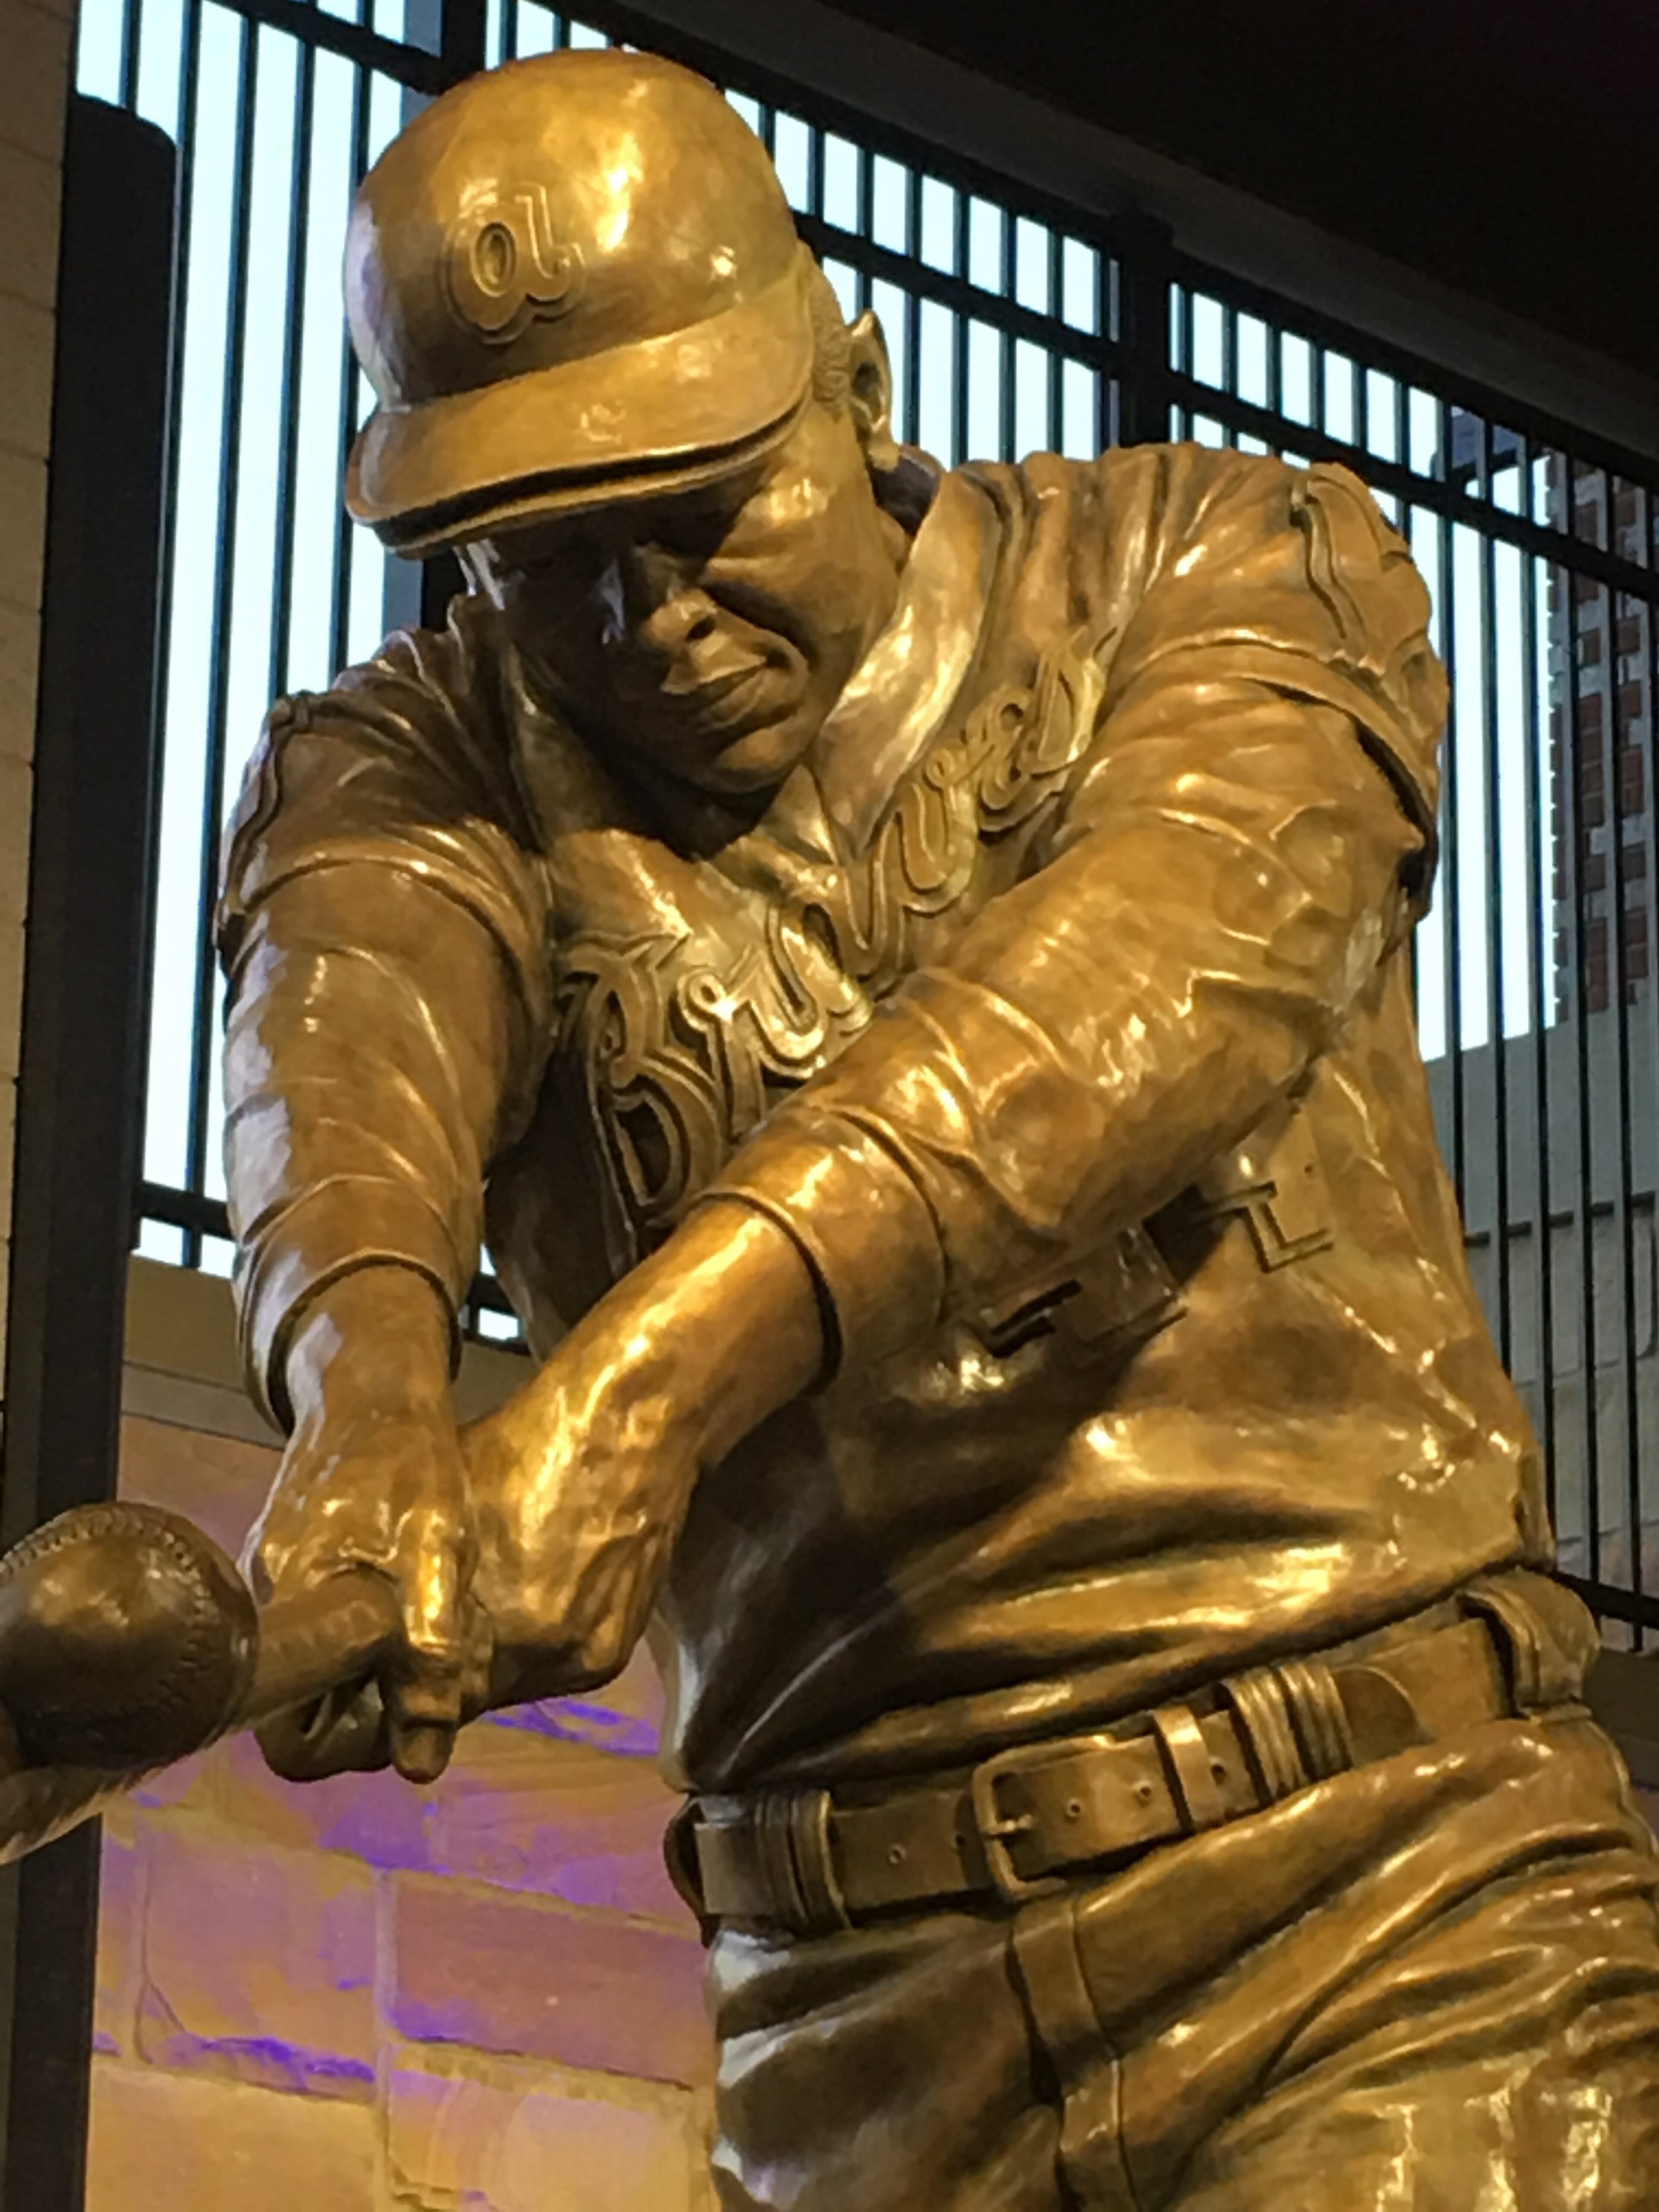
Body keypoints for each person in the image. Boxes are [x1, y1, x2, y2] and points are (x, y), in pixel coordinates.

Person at [218, 45, 1659, 2210]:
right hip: (850, 2032)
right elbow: (350, 1026)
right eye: (547, 560)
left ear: (859, 383)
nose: (649, 622)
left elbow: (1155, 977)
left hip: (1390, 1907)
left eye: (705, 512)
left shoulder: (1229, 566)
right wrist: (368, 1412)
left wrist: (639, 1387)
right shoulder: (411, 770)